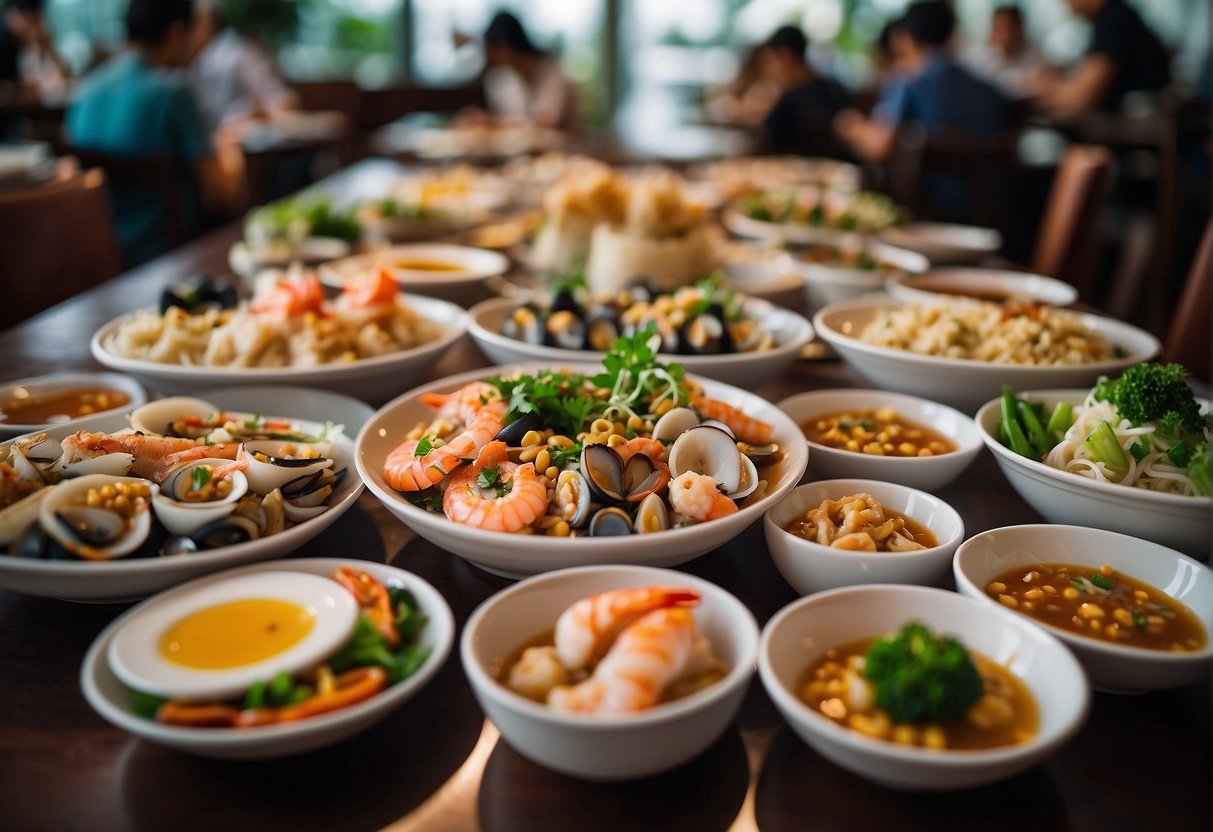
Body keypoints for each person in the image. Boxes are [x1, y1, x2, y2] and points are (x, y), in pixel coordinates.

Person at [65, 0, 245, 266]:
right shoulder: (174, 92)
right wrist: (230, 147)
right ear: (176, 32)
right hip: (165, 260)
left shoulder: (84, 91)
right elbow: (221, 196)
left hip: (97, 259)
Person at [833, 2, 1012, 165]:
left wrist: (851, 126)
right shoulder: (986, 89)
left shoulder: (907, 81)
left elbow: (878, 148)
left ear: (905, 39)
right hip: (994, 197)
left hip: (923, 197)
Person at [1033, 0, 1170, 118]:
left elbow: (1080, 99)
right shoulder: (1107, 18)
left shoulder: (1114, 19)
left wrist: (1039, 93)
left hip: (1138, 135)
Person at [188, 0, 298, 132]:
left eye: (190, 23)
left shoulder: (236, 52)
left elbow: (283, 102)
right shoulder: (189, 60)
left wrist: (252, 116)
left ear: (205, 23)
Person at [474, 11, 578, 132]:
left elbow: (547, 121)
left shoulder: (551, 69)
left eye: (493, 50)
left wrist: (491, 122)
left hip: (568, 147)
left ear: (505, 47)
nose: (490, 58)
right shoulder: (504, 78)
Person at [755, 25, 851, 155]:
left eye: (769, 62)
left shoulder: (788, 103)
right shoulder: (836, 90)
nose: (767, 71)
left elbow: (767, 142)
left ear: (785, 56)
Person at [964, 5, 1047, 99]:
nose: (1001, 35)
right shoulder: (978, 55)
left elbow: (1041, 82)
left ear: (1019, 30)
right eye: (997, 28)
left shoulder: (1033, 52)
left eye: (1006, 28)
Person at [0, 0, 67, 95]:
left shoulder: (19, 43)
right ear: (15, 15)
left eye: (37, 20)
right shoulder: (4, 40)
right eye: (32, 19)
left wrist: (47, 48)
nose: (35, 26)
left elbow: (63, 73)